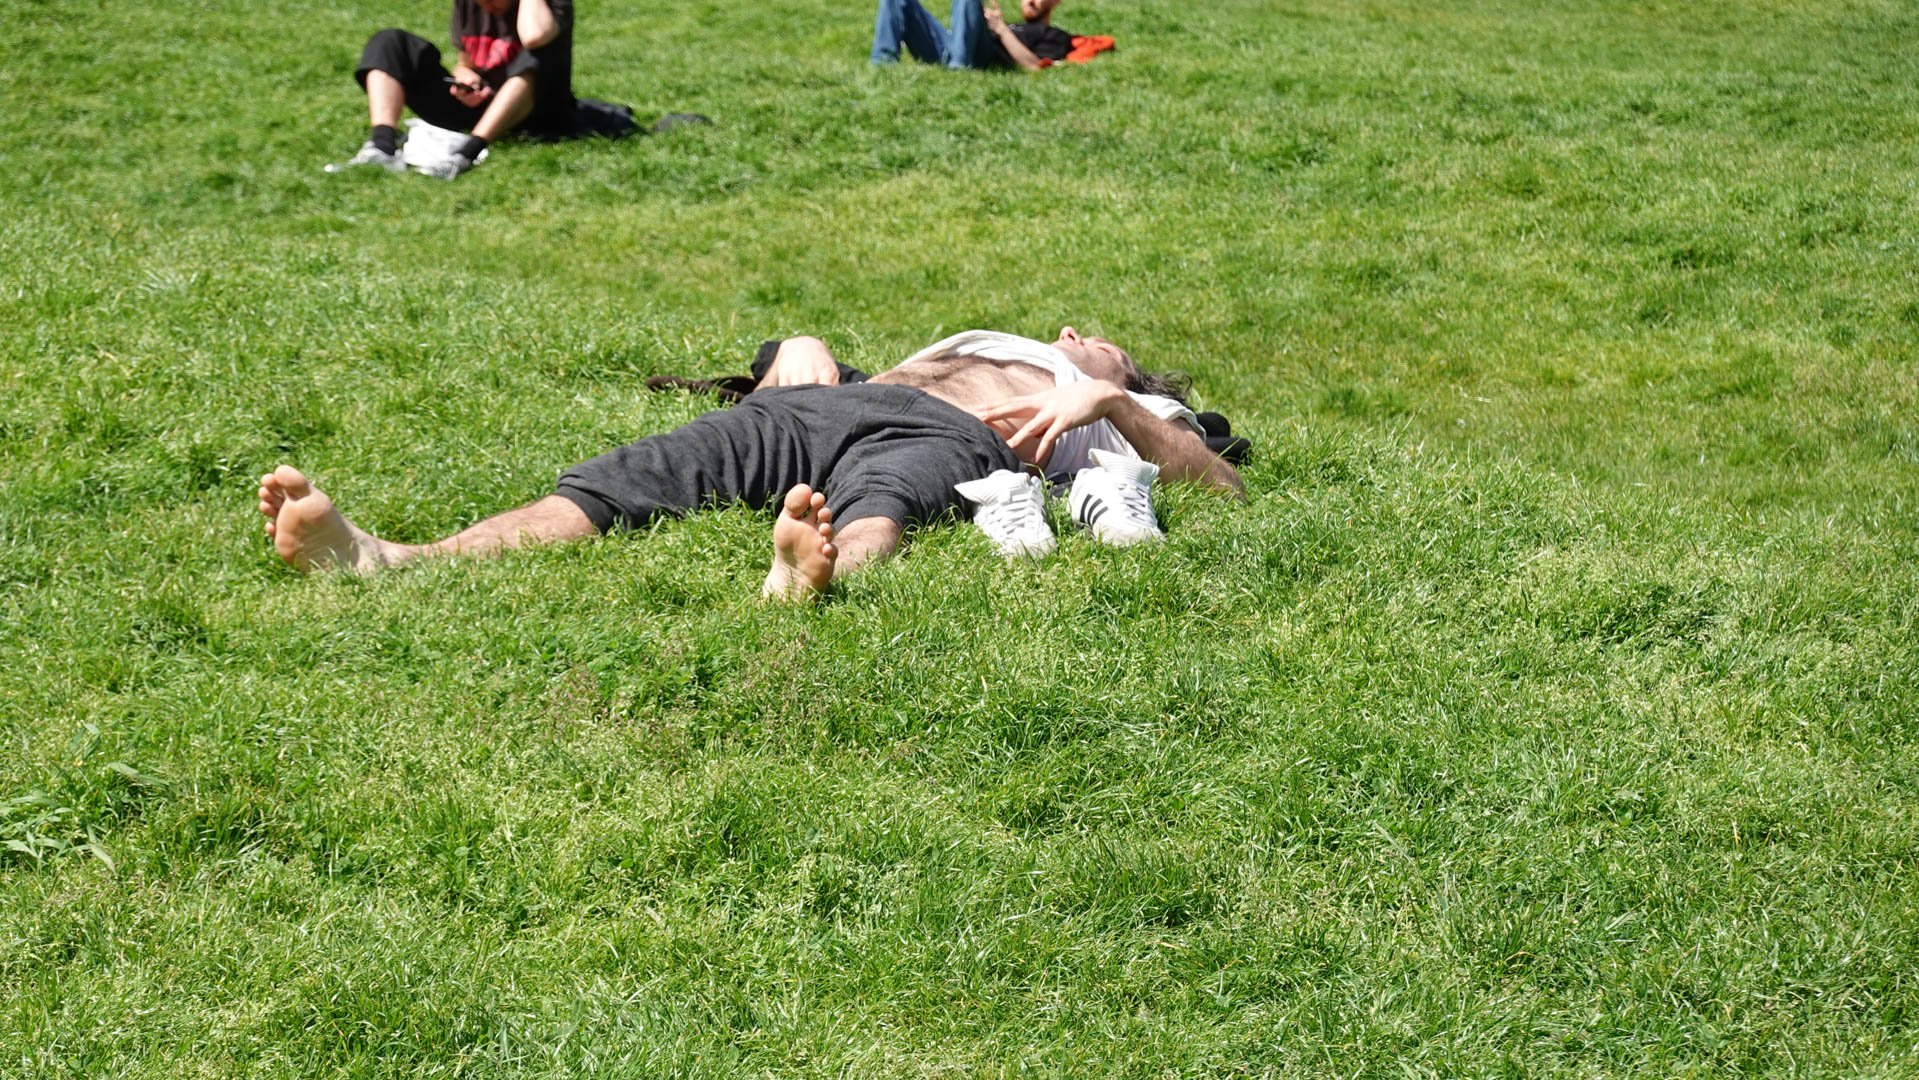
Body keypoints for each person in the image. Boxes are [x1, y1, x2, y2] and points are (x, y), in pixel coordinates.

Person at [256, 328, 1245, 599]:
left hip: (956, 436)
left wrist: (1107, 399)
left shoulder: (1133, 405)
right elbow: (795, 357)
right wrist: (796, 351)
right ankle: (396, 558)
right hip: (827, 401)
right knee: (643, 470)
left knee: (884, 498)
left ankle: (810, 577)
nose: (1073, 334)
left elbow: (1220, 484)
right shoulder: (985, 336)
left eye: (1096, 339)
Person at [331, 0, 576, 179]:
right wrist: (466, 79)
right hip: (479, 107)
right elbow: (465, 63)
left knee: (539, 53)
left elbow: (534, 37)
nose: (486, 6)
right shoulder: (471, 4)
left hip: (534, 113)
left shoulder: (548, 6)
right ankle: (382, 147)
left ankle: (465, 155)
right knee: (389, 41)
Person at [870, 0, 1083, 71]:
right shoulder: (1015, 25)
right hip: (951, 45)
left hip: (978, 56)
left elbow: (1034, 65)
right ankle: (882, 64)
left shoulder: (1054, 35)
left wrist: (1001, 30)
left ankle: (959, 67)